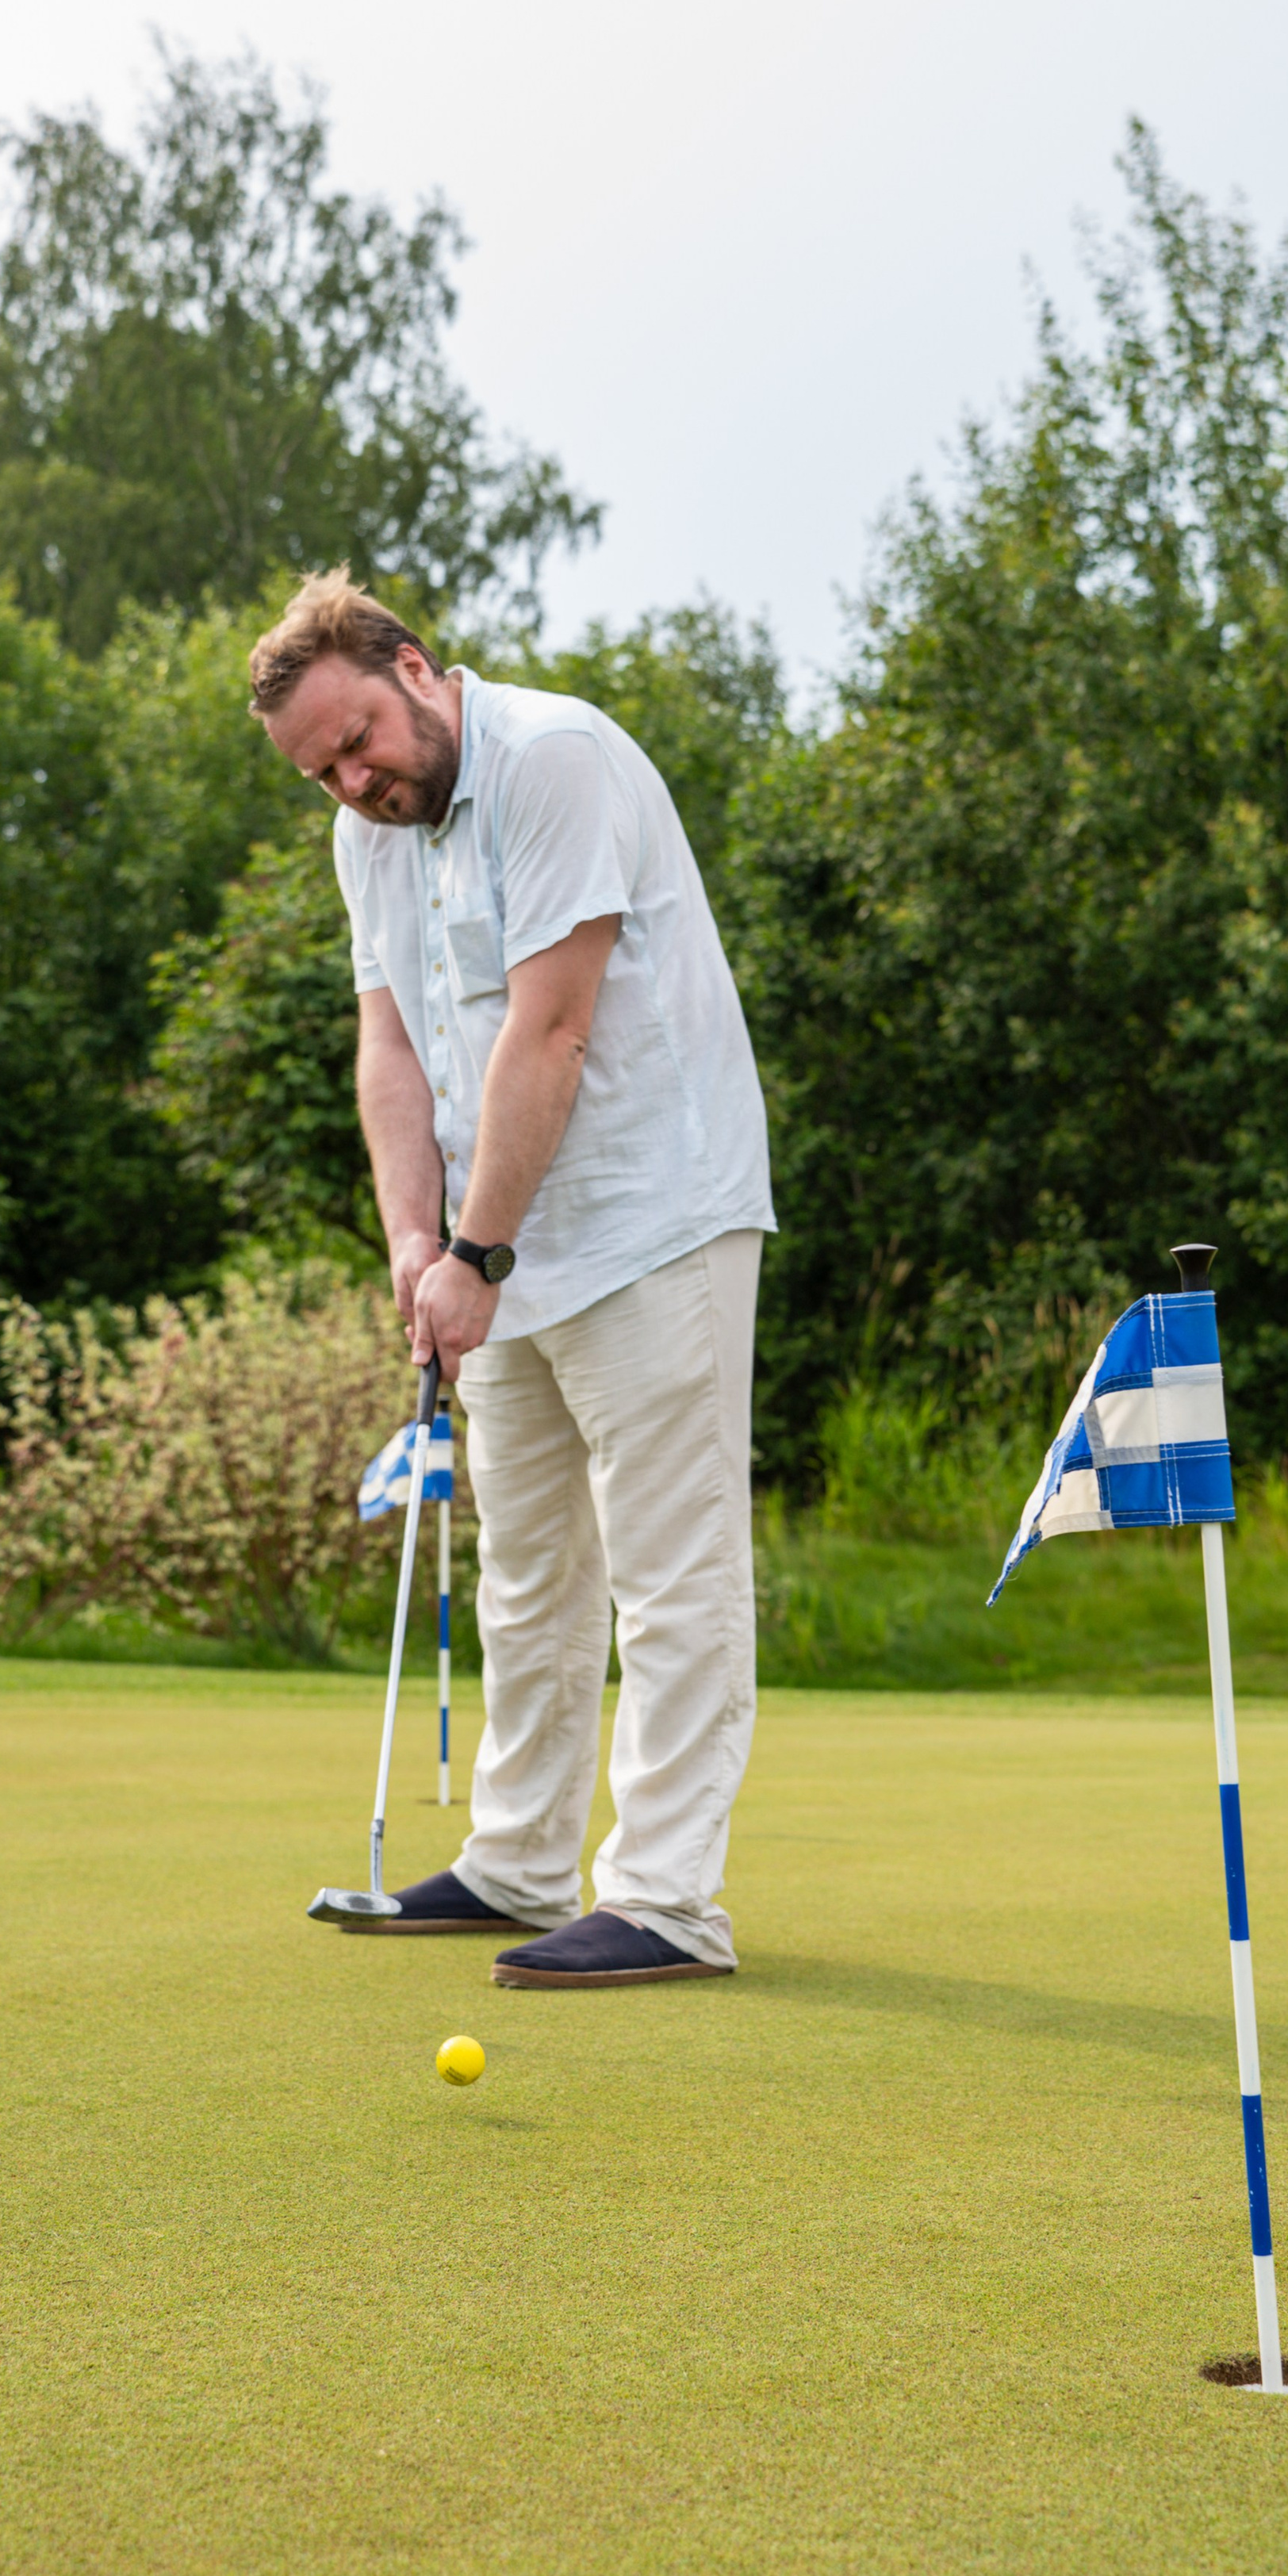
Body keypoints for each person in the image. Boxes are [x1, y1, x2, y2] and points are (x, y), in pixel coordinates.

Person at [249, 570, 773, 1986]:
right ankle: (520, 1864)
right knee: (532, 1569)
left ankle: (665, 1900)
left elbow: (552, 1032)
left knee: (669, 1570)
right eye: (321, 773)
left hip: (652, 1217)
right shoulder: (368, 841)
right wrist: (413, 1242)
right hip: (503, 1241)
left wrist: (474, 1253)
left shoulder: (555, 761)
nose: (353, 783)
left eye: (359, 742)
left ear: (416, 670)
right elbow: (393, 1050)